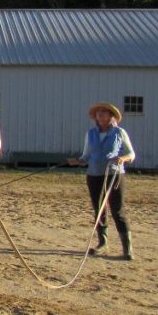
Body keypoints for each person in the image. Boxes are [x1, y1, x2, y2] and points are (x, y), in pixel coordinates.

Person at [67, 102, 136, 260]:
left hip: (114, 175)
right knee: (99, 209)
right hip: (94, 175)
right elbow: (86, 156)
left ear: (111, 116)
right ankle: (103, 243)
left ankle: (127, 248)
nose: (101, 115)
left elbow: (131, 154)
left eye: (104, 113)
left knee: (117, 210)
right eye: (99, 113)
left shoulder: (119, 133)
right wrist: (77, 161)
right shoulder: (90, 134)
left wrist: (122, 158)